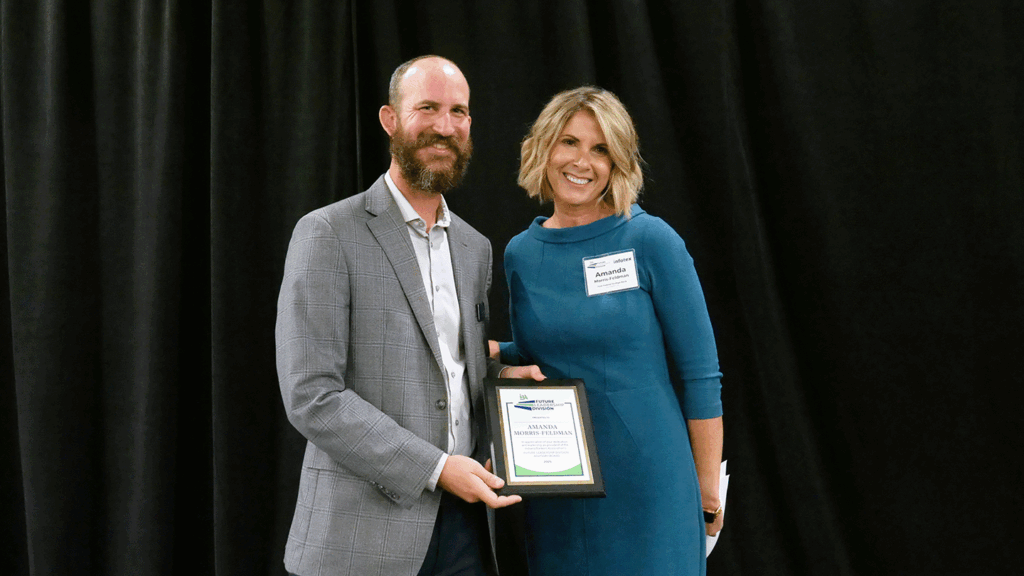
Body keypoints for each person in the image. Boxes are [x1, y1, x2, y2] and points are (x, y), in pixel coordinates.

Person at [276, 55, 541, 576]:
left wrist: (501, 375)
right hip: (360, 536)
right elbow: (311, 394)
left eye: (458, 112)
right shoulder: (328, 233)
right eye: (427, 108)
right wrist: (439, 469)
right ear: (389, 119)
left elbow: (447, 363)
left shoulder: (474, 248)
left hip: (467, 530)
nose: (444, 126)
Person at [495, 86, 725, 575]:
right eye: (570, 142)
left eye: (601, 149)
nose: (583, 161)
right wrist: (487, 352)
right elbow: (540, 353)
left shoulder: (650, 239)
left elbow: (702, 375)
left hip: (651, 484)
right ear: (543, 148)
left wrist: (706, 492)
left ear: (618, 162)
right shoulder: (520, 253)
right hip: (556, 482)